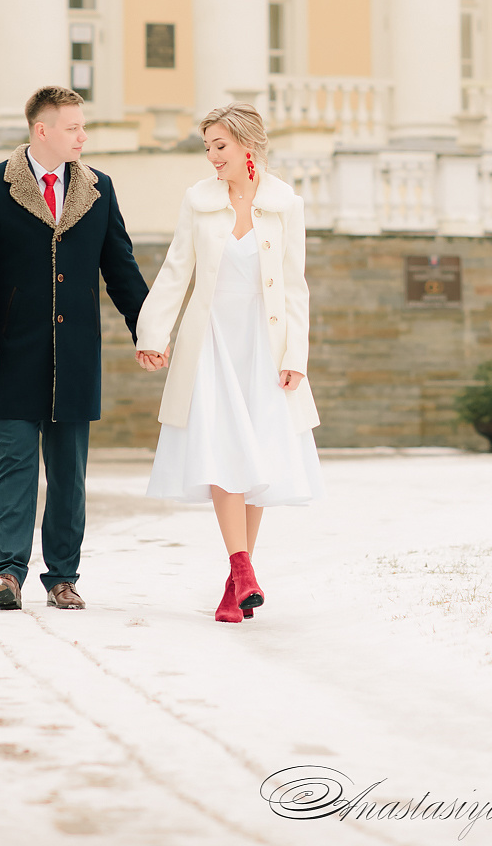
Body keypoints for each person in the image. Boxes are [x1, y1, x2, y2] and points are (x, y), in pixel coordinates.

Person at [0, 85, 150, 611]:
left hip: (76, 356)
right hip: (11, 353)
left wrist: (147, 330)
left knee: (69, 472)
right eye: (73, 127)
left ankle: (62, 575)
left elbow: (121, 270)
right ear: (42, 130)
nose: (82, 136)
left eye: (83, 127)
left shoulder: (98, 188)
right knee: (15, 462)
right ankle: (7, 572)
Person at [134, 102, 323, 623]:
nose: (212, 157)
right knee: (223, 448)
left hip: (265, 344)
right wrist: (153, 332)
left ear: (247, 145)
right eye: (207, 147)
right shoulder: (199, 201)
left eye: (220, 146)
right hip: (213, 340)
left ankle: (237, 581)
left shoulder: (286, 204)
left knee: (257, 453)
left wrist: (295, 355)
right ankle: (242, 568)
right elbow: (177, 270)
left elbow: (294, 286)